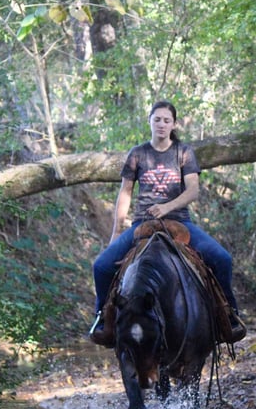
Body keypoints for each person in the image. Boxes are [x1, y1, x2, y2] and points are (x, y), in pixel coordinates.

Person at [89, 100, 245, 346]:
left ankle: (229, 314)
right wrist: (117, 231)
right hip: (143, 223)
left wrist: (166, 207)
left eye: (166, 120)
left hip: (179, 222)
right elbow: (125, 192)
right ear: (149, 121)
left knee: (222, 258)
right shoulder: (137, 153)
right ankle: (102, 319)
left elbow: (193, 190)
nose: (161, 124)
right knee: (101, 266)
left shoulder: (183, 152)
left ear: (174, 124)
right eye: (157, 119)